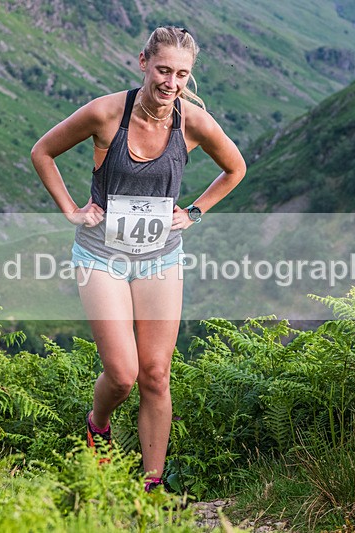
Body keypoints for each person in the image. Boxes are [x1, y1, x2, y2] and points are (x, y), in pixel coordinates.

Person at [30, 26, 246, 492]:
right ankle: (98, 424)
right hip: (102, 255)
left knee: (156, 374)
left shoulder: (191, 122)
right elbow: (42, 151)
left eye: (182, 74)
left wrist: (193, 212)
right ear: (143, 61)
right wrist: (72, 209)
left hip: (160, 259)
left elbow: (236, 168)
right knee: (124, 374)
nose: (172, 82)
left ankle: (152, 486)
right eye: (164, 69)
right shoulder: (108, 113)